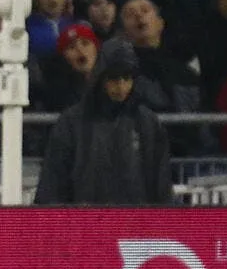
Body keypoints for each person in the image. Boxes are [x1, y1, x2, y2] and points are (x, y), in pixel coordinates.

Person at [34, 37, 172, 204]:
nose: (121, 87)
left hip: (135, 224)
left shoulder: (147, 122)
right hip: (85, 224)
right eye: (114, 79)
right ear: (101, 79)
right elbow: (53, 182)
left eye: (126, 78)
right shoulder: (72, 122)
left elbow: (161, 185)